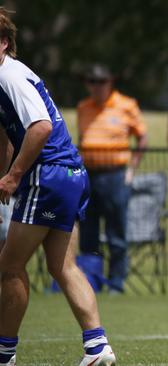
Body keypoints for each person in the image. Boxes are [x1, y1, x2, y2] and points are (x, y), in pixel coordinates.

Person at [0, 7, 115, 365]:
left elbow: (40, 127)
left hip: (48, 174)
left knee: (9, 267)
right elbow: (6, 136)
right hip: (68, 175)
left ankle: (4, 352)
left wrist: (14, 175)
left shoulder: (9, 76)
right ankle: (98, 348)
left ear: (3, 43)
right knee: (61, 265)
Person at [77, 63, 148, 294]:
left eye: (101, 82)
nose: (97, 87)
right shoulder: (83, 107)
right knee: (88, 232)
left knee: (116, 232)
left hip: (115, 175)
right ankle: (91, 281)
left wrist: (132, 169)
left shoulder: (126, 105)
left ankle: (116, 283)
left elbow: (142, 138)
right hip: (89, 175)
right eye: (92, 82)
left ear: (110, 83)